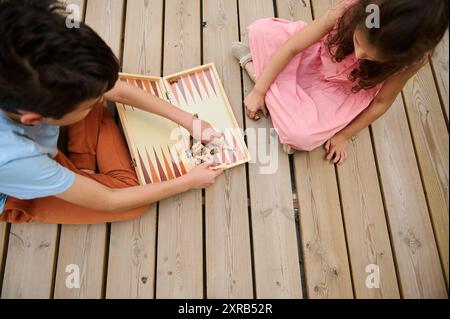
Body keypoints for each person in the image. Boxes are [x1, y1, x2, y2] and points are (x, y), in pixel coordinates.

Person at [0, 0, 222, 224]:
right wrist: (188, 181)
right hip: (18, 188)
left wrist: (189, 121)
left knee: (92, 92)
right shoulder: (16, 159)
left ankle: (83, 162)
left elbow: (116, 91)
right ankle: (78, 168)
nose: (103, 98)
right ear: (33, 118)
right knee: (133, 202)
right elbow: (111, 199)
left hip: (36, 139)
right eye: (88, 105)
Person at [232, 0, 448, 163]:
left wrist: (344, 135)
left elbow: (382, 102)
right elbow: (293, 46)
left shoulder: (410, 60)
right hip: (317, 57)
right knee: (262, 30)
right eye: (357, 41)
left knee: (300, 135)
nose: (359, 53)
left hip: (342, 91)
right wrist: (259, 91)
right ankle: (275, 99)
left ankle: (256, 68)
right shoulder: (351, 9)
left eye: (372, 58)